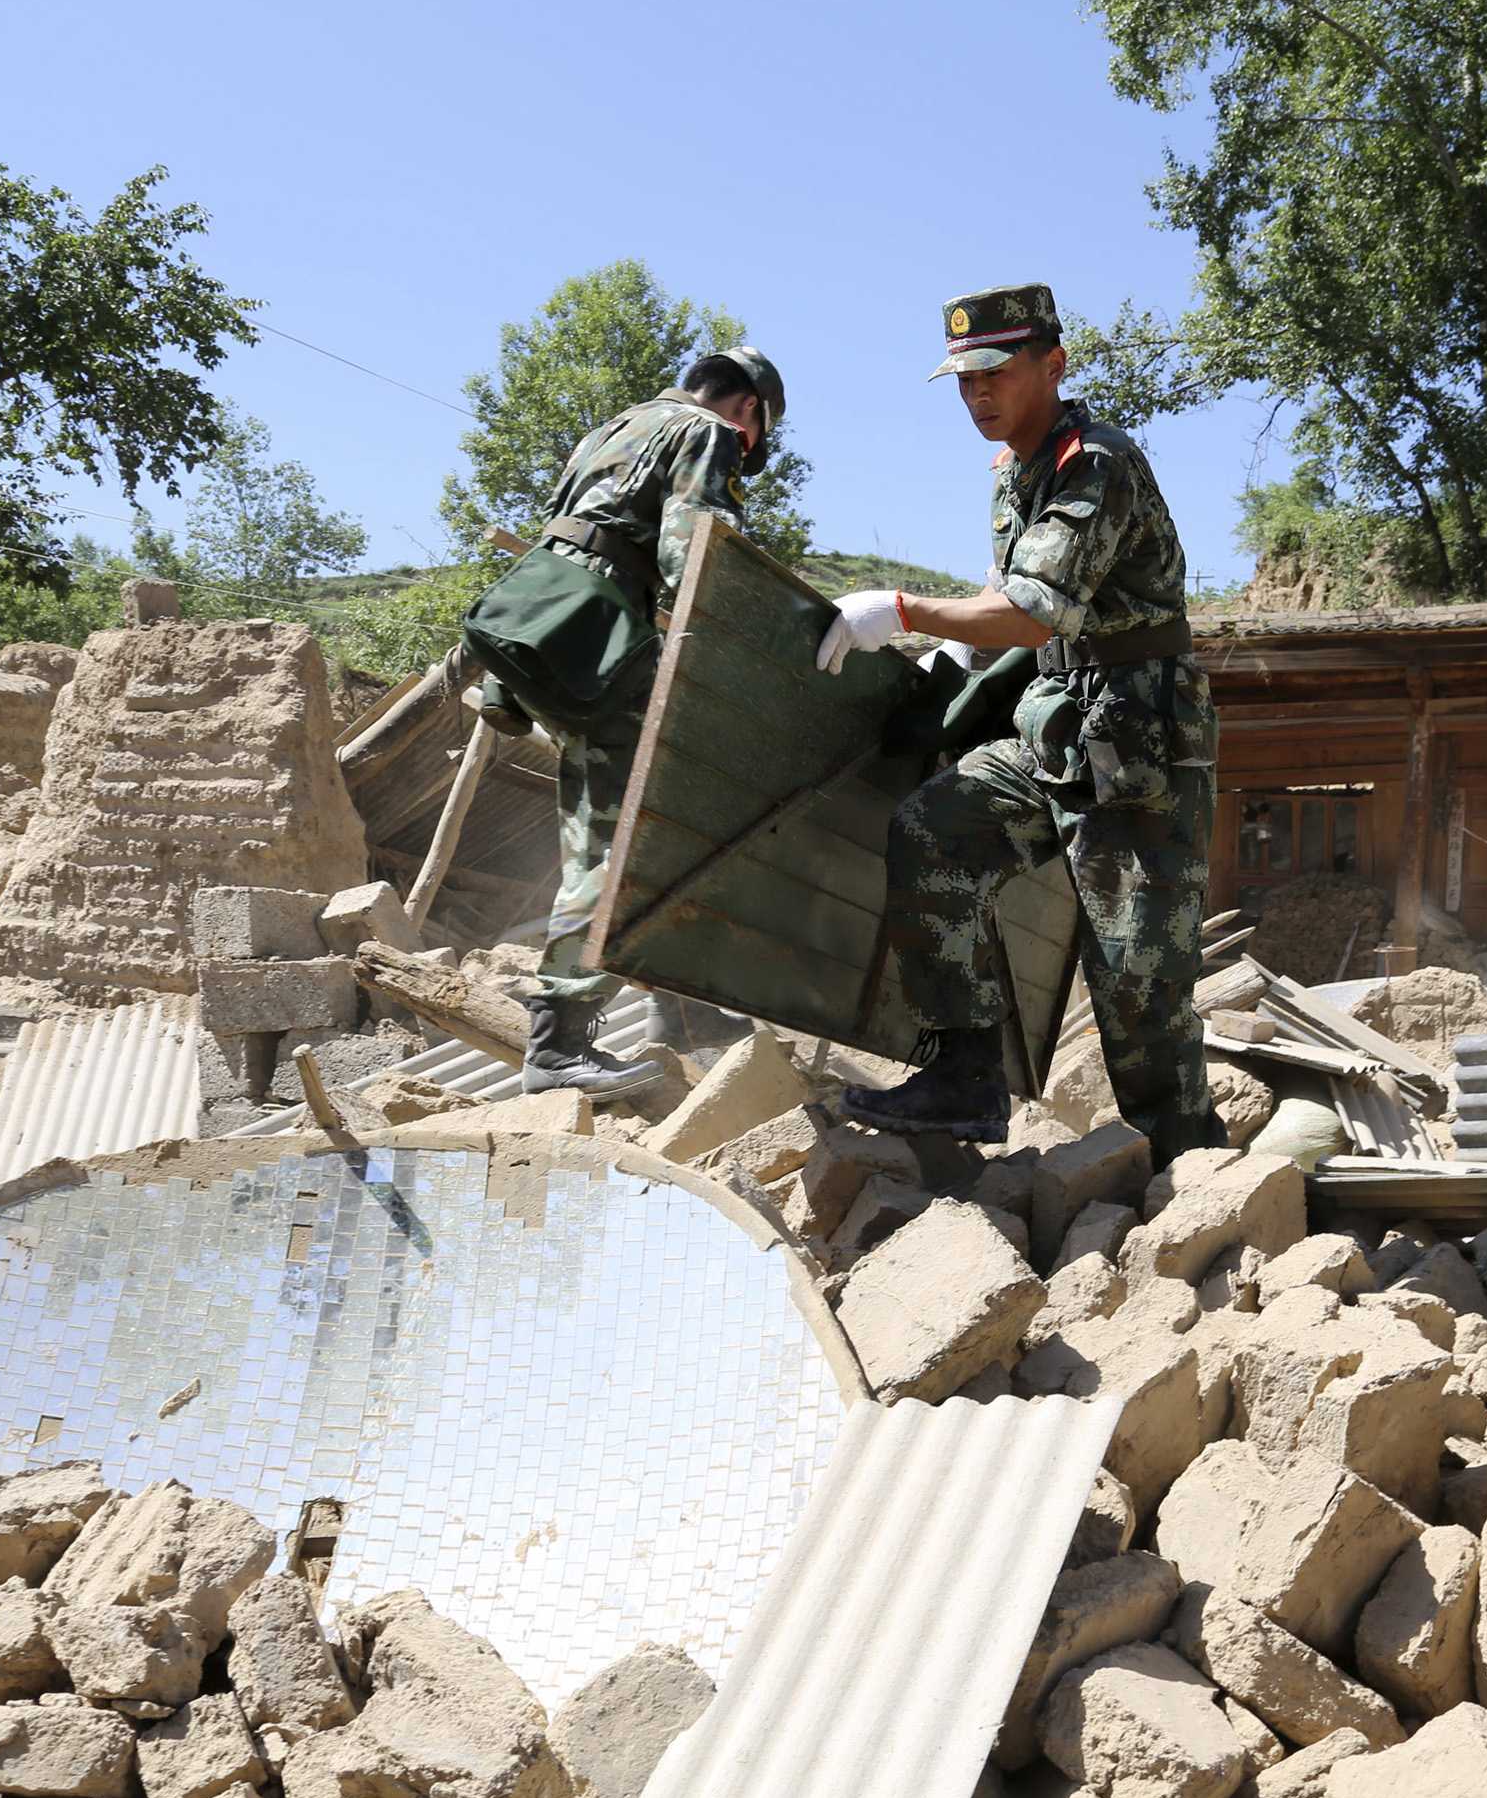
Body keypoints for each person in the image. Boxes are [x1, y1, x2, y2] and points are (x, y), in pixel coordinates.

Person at [818, 284, 1225, 1162]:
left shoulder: (1095, 462)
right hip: (1060, 730)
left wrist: (904, 611)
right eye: (963, 382)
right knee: (934, 832)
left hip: (1141, 741)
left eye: (995, 374)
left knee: (1137, 982)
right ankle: (964, 1075)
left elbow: (1034, 610)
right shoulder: (1018, 472)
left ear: (1054, 365)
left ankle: (1196, 1179)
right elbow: (1020, 616)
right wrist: (959, 654)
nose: (978, 396)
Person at [452, 348, 787, 1097]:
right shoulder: (707, 432)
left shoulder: (616, 428)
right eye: (754, 437)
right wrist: (755, 647)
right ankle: (560, 1042)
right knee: (626, 840)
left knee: (631, 828)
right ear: (748, 410)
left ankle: (689, 1016)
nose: (746, 448)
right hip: (603, 649)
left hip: (556, 644)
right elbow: (698, 552)